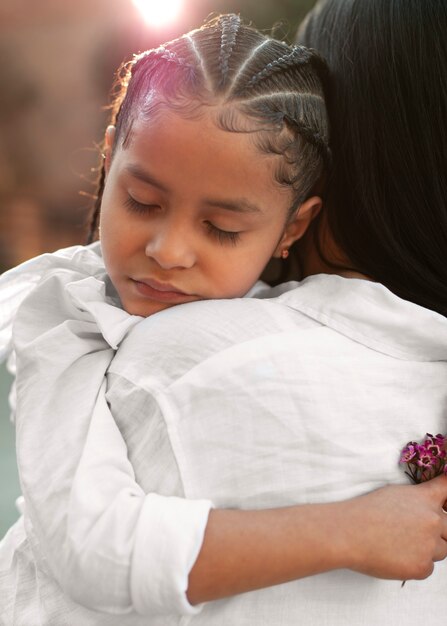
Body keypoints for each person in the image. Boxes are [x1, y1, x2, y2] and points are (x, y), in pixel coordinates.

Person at [0, 9, 446, 626]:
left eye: (222, 229)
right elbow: (90, 544)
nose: (168, 251)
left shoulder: (326, 317)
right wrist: (348, 532)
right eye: (142, 201)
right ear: (109, 159)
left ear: (294, 225)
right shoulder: (69, 326)